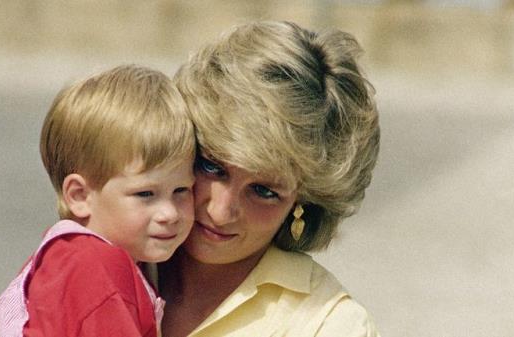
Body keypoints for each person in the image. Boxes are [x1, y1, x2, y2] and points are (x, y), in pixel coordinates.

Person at [158, 21, 381, 337]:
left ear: (302, 201)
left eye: (263, 191)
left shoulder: (329, 326)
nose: (220, 211)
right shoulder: (106, 257)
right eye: (211, 167)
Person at [0, 65, 196, 337]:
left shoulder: (64, 252)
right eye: (146, 194)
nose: (169, 213)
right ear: (80, 196)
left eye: (182, 190)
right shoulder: (98, 270)